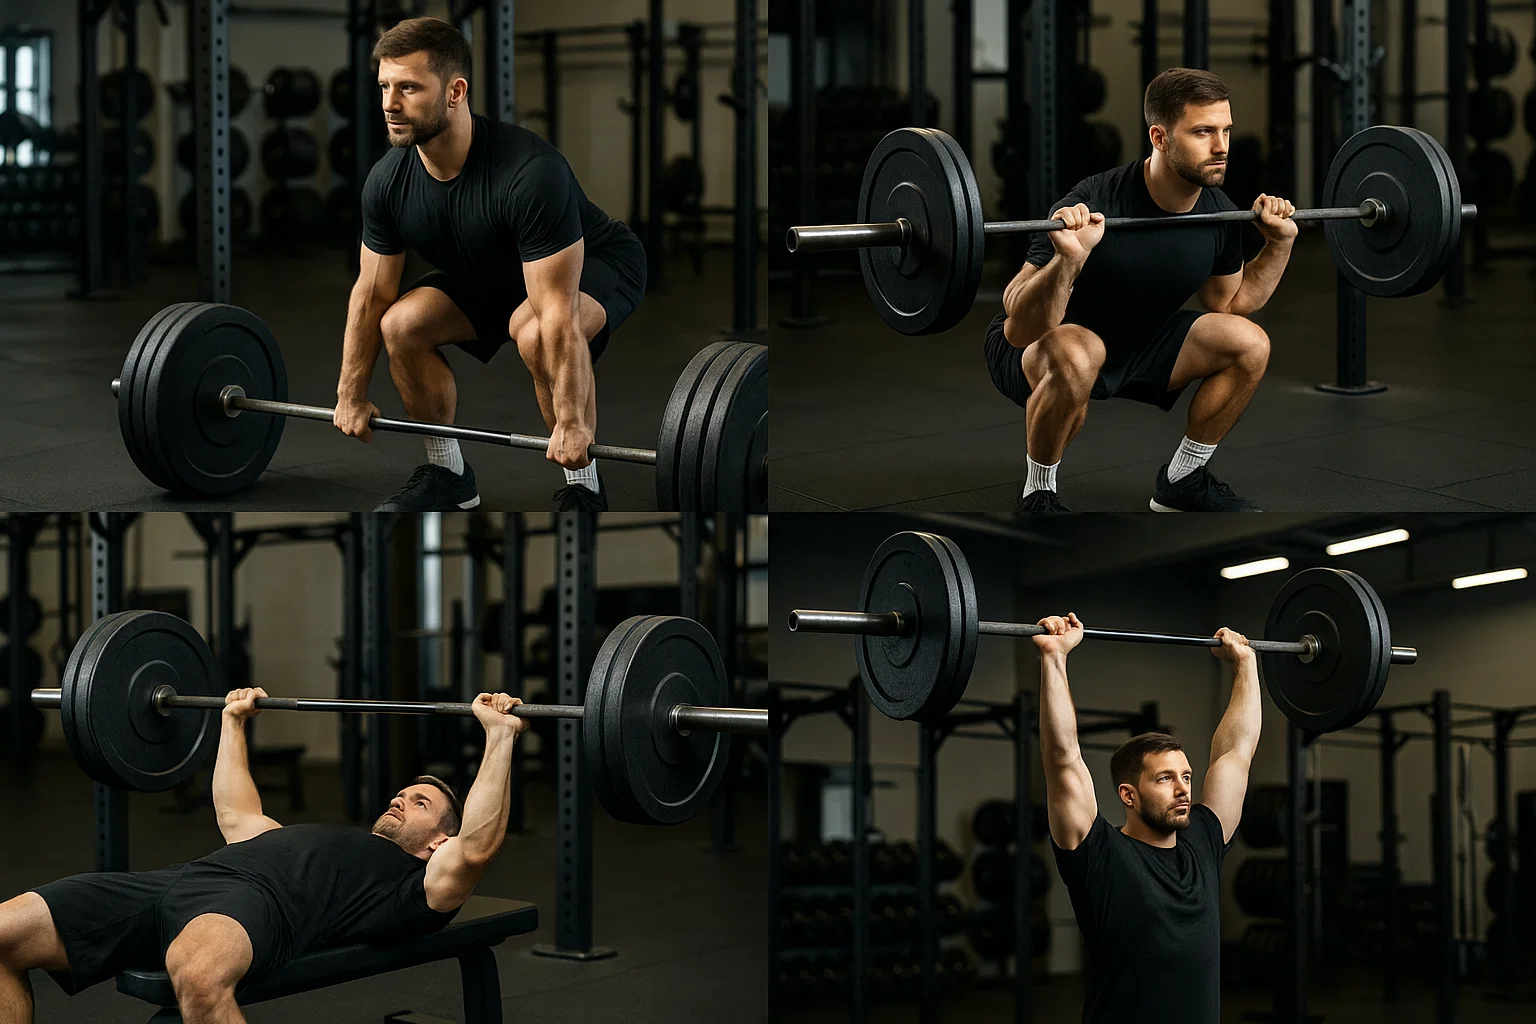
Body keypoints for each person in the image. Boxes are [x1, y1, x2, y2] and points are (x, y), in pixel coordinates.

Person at [0, 686, 528, 1024]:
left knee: (199, 978)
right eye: (402, 793)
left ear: (438, 841)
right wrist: (233, 723)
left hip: (258, 903)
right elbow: (236, 816)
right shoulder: (305, 837)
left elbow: (477, 845)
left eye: (419, 803)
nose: (399, 799)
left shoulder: (416, 883)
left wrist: (499, 738)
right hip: (177, 880)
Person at [334, 16, 647, 512]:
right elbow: (371, 293)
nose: (390, 104)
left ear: (455, 91)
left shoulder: (529, 173)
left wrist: (571, 422)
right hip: (491, 271)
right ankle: (449, 475)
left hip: (598, 263)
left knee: (534, 330)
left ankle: (585, 485)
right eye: (385, 87)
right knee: (401, 324)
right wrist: (350, 392)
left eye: (409, 88)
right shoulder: (388, 182)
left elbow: (556, 312)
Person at [984, 67, 1297, 512]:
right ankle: (1039, 491)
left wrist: (1280, 244)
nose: (1221, 147)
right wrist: (1068, 259)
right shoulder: (1093, 201)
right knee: (1080, 351)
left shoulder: (1217, 214)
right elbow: (1020, 329)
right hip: (1045, 347)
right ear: (1160, 137)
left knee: (1250, 344)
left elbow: (1227, 302)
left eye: (1226, 130)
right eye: (1203, 132)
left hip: (1138, 341)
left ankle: (1183, 480)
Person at [1035, 613, 1260, 1023]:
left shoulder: (1203, 844)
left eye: (1187, 777)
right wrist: (1054, 658)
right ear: (1128, 795)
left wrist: (1246, 664)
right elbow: (1062, 758)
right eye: (1165, 778)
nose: (1183, 789)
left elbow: (1236, 754)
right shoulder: (1099, 857)